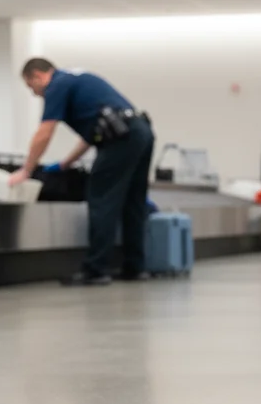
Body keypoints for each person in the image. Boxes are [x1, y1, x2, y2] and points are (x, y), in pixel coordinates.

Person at [9, 58, 155, 286]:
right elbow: (92, 134)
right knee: (133, 201)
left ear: (38, 75)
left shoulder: (57, 86)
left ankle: (96, 270)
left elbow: (45, 131)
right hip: (140, 131)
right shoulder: (76, 79)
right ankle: (135, 267)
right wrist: (65, 163)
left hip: (121, 138)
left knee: (101, 199)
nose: (34, 94)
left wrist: (26, 170)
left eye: (31, 86)